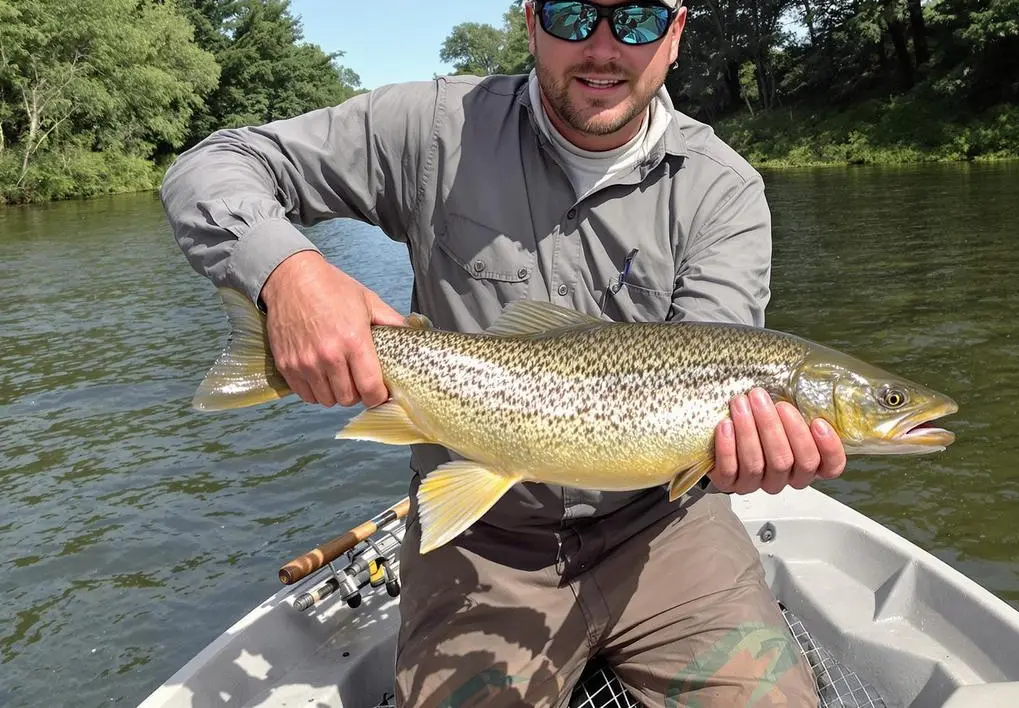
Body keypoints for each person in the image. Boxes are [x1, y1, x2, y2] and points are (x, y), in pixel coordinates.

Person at [161, 1, 847, 705]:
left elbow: (712, 357)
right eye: (573, 14)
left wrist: (744, 456)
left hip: (663, 531)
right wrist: (288, 275)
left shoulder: (723, 191)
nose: (603, 47)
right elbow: (210, 167)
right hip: (481, 537)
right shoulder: (433, 130)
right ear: (530, 23)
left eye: (638, 19)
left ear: (675, 33)